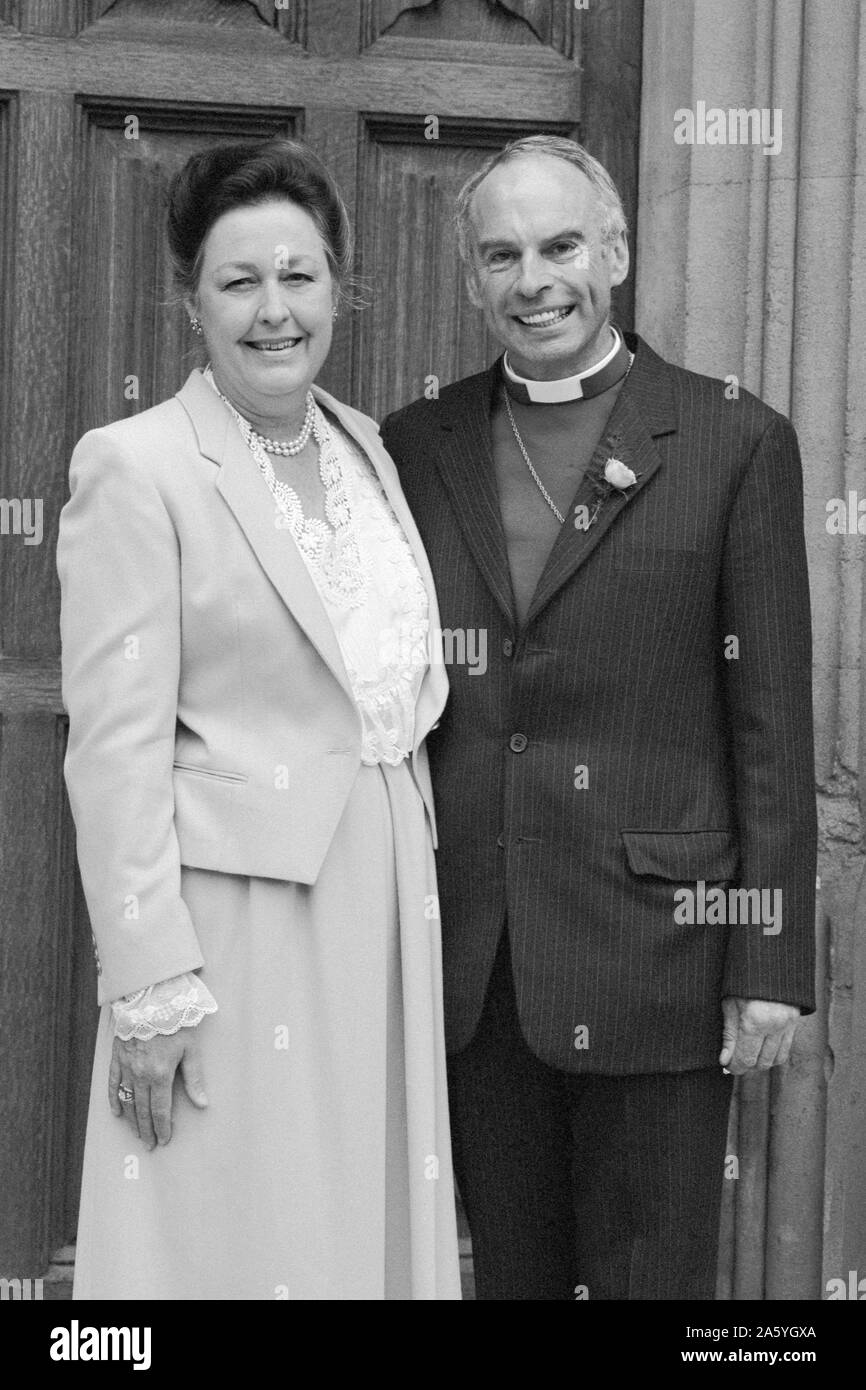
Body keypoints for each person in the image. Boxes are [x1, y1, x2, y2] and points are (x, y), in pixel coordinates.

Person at [380, 134, 817, 1301]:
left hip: (660, 958)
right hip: (476, 963)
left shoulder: (735, 439)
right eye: (502, 255)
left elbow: (770, 725)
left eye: (561, 245)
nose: (534, 280)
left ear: (613, 251)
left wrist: (766, 964)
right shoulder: (409, 446)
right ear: (472, 279)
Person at [57, 138, 460, 1301]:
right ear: (190, 302)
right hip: (235, 923)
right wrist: (150, 982)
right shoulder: (137, 466)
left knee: (357, 1221)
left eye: (299, 275)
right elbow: (114, 740)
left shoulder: (365, 446)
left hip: (385, 894)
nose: (273, 309)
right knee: (231, 1225)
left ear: (338, 288)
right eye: (239, 282)